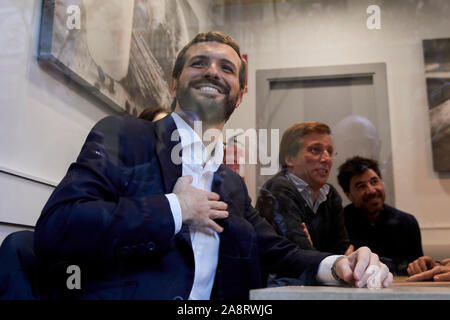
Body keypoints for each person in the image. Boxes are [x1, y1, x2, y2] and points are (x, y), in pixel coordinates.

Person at [33, 31, 392, 300]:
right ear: (174, 82)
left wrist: (337, 265)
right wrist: (175, 209)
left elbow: (276, 250)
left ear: (239, 92)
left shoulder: (231, 184)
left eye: (226, 68)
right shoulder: (124, 135)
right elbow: (58, 227)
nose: (212, 72)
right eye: (199, 63)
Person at [256, 122, 352, 255]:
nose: (326, 159)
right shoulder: (279, 189)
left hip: (322, 274)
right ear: (290, 159)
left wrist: (313, 252)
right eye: (315, 150)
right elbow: (298, 255)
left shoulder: (330, 194)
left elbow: (343, 249)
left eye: (329, 151)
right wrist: (317, 255)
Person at [337, 156, 423, 275]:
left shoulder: (407, 222)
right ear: (349, 195)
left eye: (374, 181)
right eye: (361, 186)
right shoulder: (338, 224)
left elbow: (418, 268)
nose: (372, 190)